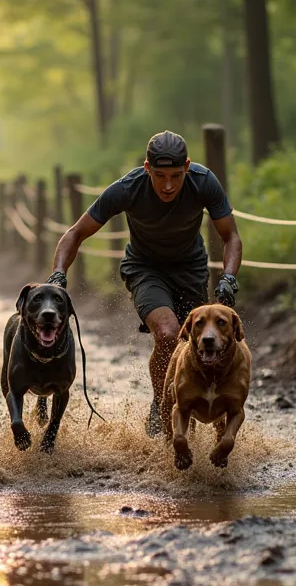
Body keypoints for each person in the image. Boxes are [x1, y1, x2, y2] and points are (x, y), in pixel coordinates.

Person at [46, 131, 243, 437]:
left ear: (187, 167)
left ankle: (200, 407)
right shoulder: (128, 188)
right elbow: (75, 233)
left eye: (176, 176)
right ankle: (164, 403)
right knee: (167, 335)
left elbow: (230, 235)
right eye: (160, 175)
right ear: (147, 168)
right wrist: (58, 275)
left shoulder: (204, 182)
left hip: (191, 268)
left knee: (197, 344)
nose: (168, 185)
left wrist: (229, 276)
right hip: (144, 268)